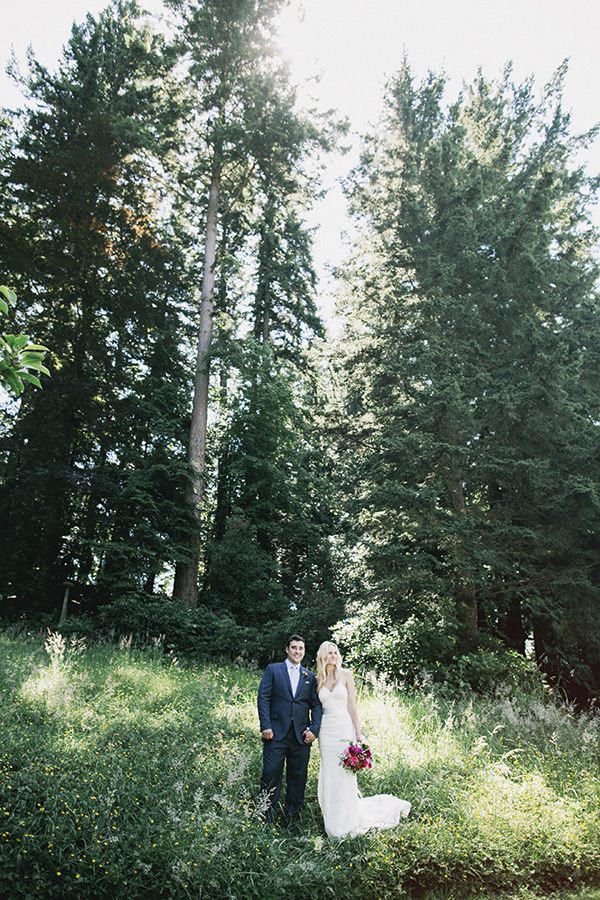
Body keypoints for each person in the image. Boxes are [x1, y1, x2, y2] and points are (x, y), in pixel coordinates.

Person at [316, 640, 411, 838]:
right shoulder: (318, 680)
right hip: (326, 733)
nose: (333, 655)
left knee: (345, 775)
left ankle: (348, 820)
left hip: (343, 730)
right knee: (330, 776)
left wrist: (358, 734)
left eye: (335, 652)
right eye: (329, 652)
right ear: (323, 656)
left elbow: (352, 706)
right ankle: (332, 821)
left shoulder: (347, 675)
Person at [257, 634, 322, 828]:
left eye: (301, 649)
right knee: (270, 774)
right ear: (287, 649)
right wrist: (265, 725)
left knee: (298, 777)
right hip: (275, 733)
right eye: (294, 648)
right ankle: (265, 819)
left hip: (301, 737)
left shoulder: (309, 676)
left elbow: (316, 705)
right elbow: (263, 698)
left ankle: (292, 820)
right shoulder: (273, 670)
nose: (297, 652)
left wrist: (315, 730)